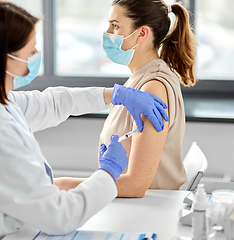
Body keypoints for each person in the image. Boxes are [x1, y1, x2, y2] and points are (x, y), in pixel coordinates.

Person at [0, 1, 169, 239]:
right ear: (6, 58)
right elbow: (59, 216)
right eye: (30, 50)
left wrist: (114, 95)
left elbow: (51, 103)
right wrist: (107, 172)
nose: (36, 56)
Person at [55, 0, 197, 197]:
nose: (107, 31)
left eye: (115, 25)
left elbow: (136, 185)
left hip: (147, 210)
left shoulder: (152, 87)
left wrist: (61, 185)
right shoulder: (138, 78)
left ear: (141, 33)